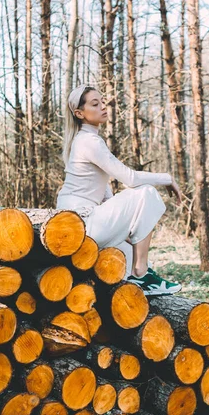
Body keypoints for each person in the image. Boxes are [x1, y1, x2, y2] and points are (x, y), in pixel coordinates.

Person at [56, 84, 183, 296]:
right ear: (79, 113)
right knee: (146, 192)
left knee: (129, 254)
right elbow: (130, 178)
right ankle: (141, 275)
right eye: (95, 104)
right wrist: (167, 178)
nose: (103, 107)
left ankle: (139, 280)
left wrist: (126, 227)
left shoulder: (84, 141)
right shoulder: (89, 142)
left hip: (81, 226)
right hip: (81, 225)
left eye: (102, 102)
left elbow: (105, 193)